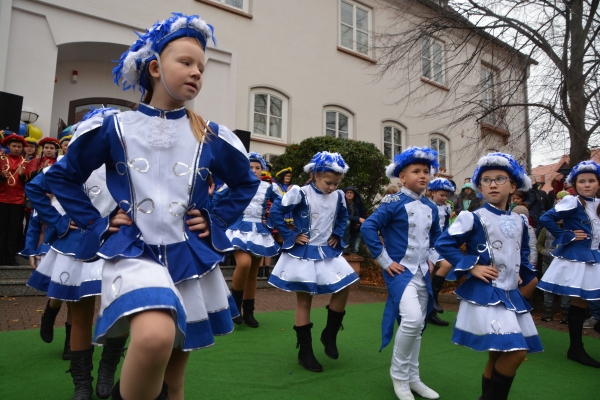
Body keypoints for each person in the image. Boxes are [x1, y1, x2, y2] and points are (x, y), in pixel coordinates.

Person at [45, 13, 260, 400]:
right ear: (155, 68)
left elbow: (246, 182)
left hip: (189, 260)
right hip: (132, 254)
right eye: (186, 62)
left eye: (202, 67)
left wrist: (215, 219)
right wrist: (98, 222)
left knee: (174, 381)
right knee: (155, 337)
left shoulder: (210, 135)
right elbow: (61, 176)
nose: (196, 72)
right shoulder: (115, 127)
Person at [436, 152, 543, 400]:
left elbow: (522, 253)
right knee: (516, 352)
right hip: (487, 293)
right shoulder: (473, 217)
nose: (492, 184)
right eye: (486, 180)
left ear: (513, 186)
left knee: (497, 354)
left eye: (499, 179)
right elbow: (444, 243)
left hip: (511, 294)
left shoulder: (520, 220)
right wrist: (472, 267)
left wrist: (522, 274)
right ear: (480, 187)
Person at [26, 137, 127, 400]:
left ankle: (107, 369)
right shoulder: (71, 162)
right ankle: (82, 383)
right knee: (81, 315)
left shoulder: (131, 161)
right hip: (78, 244)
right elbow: (34, 188)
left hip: (121, 242)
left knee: (120, 311)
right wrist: (58, 221)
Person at [361, 147, 442, 400]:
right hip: (400, 273)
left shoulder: (431, 206)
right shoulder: (393, 202)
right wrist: (384, 261)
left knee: (418, 326)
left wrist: (432, 258)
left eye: (426, 171)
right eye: (416, 171)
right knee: (413, 320)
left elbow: (437, 237)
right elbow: (369, 227)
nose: (423, 175)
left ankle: (413, 377)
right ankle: (399, 376)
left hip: (423, 273)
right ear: (402, 178)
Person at [268, 151, 359, 373]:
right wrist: (291, 235)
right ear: (316, 175)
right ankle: (305, 351)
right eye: (329, 182)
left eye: (336, 183)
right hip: (304, 253)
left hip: (328, 251)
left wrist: (337, 233)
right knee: (304, 301)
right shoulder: (300, 193)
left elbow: (342, 216)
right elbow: (276, 210)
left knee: (345, 285)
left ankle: (329, 333)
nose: (332, 187)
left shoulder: (338, 196)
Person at [538, 160, 600, 368]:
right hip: (579, 258)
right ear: (575, 184)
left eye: (591, 180)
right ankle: (576, 349)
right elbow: (546, 218)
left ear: (598, 183)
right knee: (579, 302)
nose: (587, 184)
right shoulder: (572, 202)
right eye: (582, 181)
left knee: (587, 301)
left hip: (595, 257)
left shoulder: (598, 203)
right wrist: (566, 235)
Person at [214, 152, 281, 327]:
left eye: (258, 167)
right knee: (244, 264)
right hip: (238, 230)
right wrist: (220, 219)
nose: (254, 170)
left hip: (260, 232)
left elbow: (283, 204)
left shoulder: (269, 187)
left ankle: (249, 312)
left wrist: (272, 221)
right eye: (250, 167)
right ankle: (234, 308)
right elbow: (216, 198)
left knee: (253, 273)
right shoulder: (235, 182)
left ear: (262, 170)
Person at [536, 190, 570, 323]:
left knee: (565, 287)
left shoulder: (571, 228)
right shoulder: (547, 228)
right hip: (547, 261)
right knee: (547, 287)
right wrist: (544, 252)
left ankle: (565, 314)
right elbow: (539, 243)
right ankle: (547, 312)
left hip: (565, 262)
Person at [425, 177, 456, 327]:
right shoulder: (426, 206)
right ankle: (430, 306)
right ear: (432, 193)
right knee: (434, 272)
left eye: (446, 195)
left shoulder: (446, 208)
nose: (444, 198)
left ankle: (431, 306)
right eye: (441, 195)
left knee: (440, 269)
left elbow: (445, 227)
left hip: (438, 245)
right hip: (427, 245)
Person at [0, 134, 29, 266]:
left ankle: (11, 257)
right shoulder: (1, 159)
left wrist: (22, 175)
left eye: (19, 146)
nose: (16, 149)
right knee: (2, 229)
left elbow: (29, 180)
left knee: (14, 230)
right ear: (8, 146)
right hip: (2, 199)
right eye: (14, 146)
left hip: (17, 201)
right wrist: (1, 176)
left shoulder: (26, 162)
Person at [342, 186, 366, 254]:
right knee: (347, 222)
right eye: (347, 192)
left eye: (351, 192)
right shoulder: (342, 203)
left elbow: (363, 215)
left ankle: (355, 254)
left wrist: (359, 224)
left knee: (355, 249)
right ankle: (345, 246)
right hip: (345, 227)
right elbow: (344, 216)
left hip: (356, 226)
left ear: (354, 194)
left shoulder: (359, 202)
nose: (349, 194)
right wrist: (358, 219)